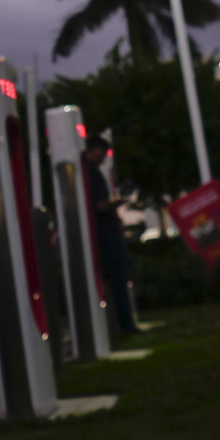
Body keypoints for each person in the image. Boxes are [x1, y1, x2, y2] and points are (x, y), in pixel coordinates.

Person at [81, 134, 142, 337]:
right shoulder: (93, 173)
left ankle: (118, 325)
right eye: (104, 153)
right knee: (118, 278)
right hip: (106, 235)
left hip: (100, 234)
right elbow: (100, 205)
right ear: (95, 150)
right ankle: (126, 324)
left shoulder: (86, 173)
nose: (105, 158)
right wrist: (119, 201)